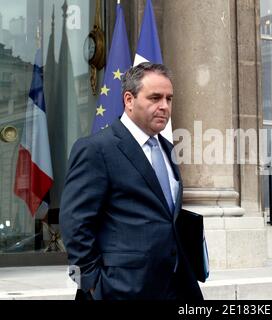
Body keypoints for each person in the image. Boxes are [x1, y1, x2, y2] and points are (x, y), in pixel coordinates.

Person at [59, 62, 204, 300]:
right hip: (119, 289)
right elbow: (74, 223)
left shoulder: (167, 148)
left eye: (169, 99)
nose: (164, 106)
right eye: (155, 98)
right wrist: (91, 284)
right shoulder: (96, 149)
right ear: (129, 100)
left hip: (175, 285)